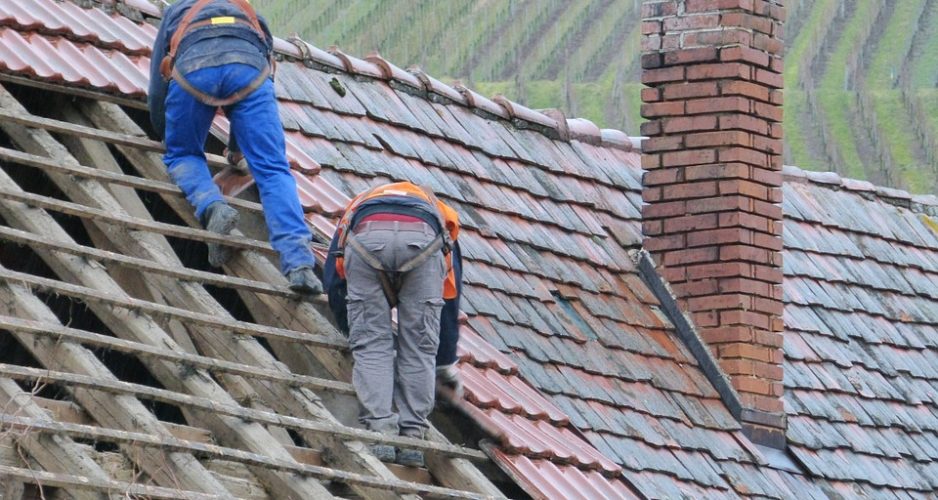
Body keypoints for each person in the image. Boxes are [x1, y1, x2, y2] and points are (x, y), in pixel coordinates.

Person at [148, 0, 321, 294]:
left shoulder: (177, 12)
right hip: (250, 73)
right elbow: (248, 84)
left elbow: (157, 85)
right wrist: (237, 151)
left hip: (192, 70)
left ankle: (212, 207)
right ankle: (300, 265)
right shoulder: (250, 14)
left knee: (184, 155)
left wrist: (165, 134)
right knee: (272, 169)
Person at [323, 182, 464, 468]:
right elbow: (449, 294)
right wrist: (445, 360)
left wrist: (353, 332)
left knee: (373, 346)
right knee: (419, 347)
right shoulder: (442, 214)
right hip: (425, 242)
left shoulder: (356, 208)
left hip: (365, 241)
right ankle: (412, 437)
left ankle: (381, 433)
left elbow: (334, 281)